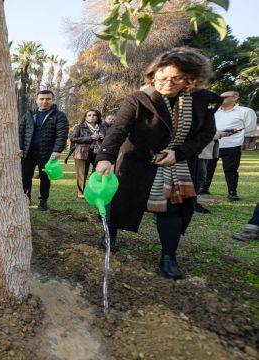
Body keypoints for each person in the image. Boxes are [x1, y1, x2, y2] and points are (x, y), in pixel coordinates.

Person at [95, 48, 222, 280]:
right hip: (137, 162)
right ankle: (109, 235)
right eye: (161, 78)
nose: (167, 83)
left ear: (191, 79)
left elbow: (206, 134)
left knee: (171, 211)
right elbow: (118, 130)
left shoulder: (202, 101)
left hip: (176, 165)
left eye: (176, 78)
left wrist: (179, 153)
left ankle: (168, 257)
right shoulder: (139, 99)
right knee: (121, 202)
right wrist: (105, 157)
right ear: (153, 75)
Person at [18, 90, 69, 210]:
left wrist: (57, 150)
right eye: (41, 99)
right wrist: (19, 147)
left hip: (47, 153)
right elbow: (20, 132)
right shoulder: (29, 114)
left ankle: (43, 200)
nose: (44, 101)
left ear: (52, 100)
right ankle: (26, 197)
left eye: (48, 99)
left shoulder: (59, 116)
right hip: (28, 152)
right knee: (25, 176)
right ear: (37, 100)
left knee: (44, 178)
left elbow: (62, 135)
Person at [201, 91, 256, 201]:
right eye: (220, 97)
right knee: (208, 168)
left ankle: (232, 192)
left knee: (230, 170)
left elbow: (249, 129)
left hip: (232, 144)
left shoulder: (245, 111)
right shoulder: (214, 110)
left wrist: (236, 136)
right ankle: (203, 188)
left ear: (235, 97)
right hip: (213, 143)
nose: (221, 98)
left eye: (225, 97)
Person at [69, 109, 106, 198]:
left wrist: (102, 137)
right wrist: (90, 137)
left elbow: (108, 138)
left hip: (98, 153)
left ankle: (96, 191)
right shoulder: (80, 127)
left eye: (94, 115)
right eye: (89, 115)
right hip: (82, 152)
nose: (91, 117)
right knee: (82, 174)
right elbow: (73, 139)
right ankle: (81, 193)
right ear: (85, 117)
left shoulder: (102, 127)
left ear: (97, 117)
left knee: (100, 172)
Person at [194, 130, 232, 213]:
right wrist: (220, 134)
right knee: (198, 177)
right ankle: (191, 203)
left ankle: (192, 201)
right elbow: (201, 132)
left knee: (200, 177)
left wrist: (225, 131)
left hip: (203, 152)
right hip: (197, 151)